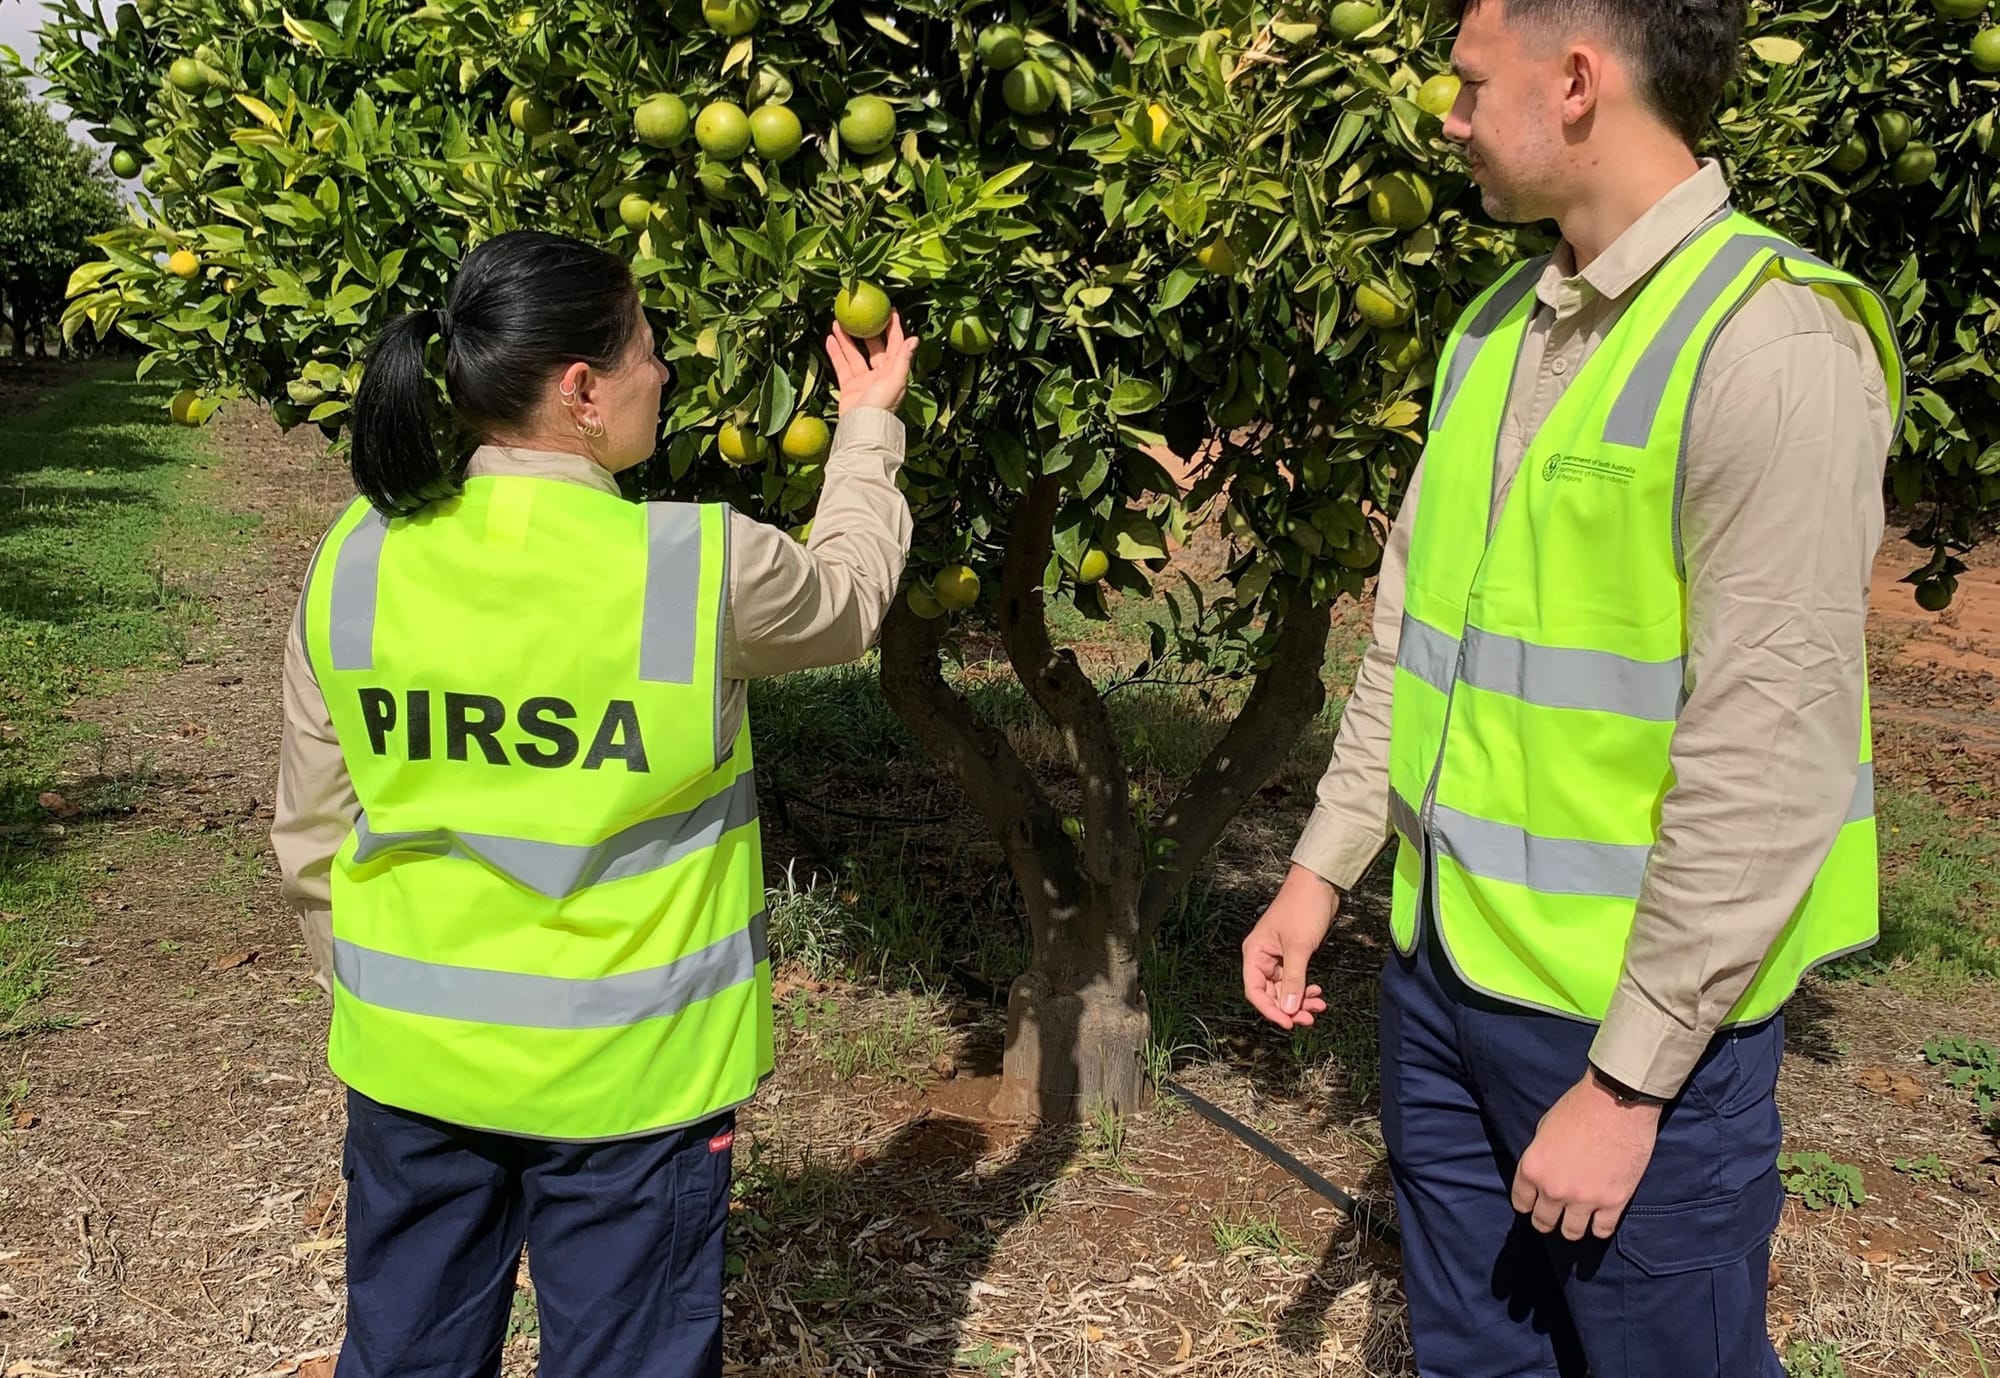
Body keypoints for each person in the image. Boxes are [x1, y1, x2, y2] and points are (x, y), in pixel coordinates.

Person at [1241, 2, 1904, 1374]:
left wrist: (1627, 1080)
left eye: (1473, 85)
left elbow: (1766, 757)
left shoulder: (1771, 346)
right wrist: (1321, 873)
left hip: (1632, 1026)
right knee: (1477, 1354)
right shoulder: (1494, 330)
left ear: (1581, 83)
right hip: (1443, 980)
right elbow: (1416, 642)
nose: (1449, 117)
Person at [270, 229, 917, 1378]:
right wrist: (866, 426)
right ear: (581, 390)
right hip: (636, 1080)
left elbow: (315, 829)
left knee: (405, 1357)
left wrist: (378, 1003)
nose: (661, 374)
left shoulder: (355, 558)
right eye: (647, 351)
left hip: (414, 1071)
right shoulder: (695, 566)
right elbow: (852, 596)